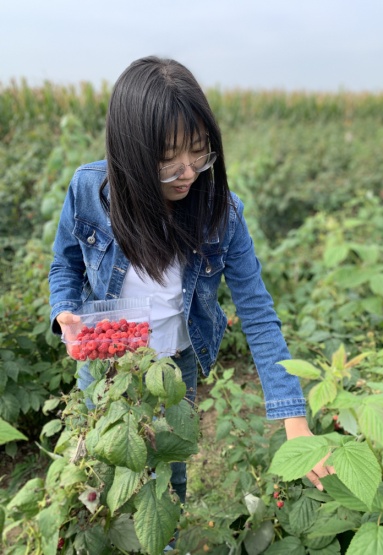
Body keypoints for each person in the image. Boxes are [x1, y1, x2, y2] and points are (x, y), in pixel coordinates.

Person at [49, 56, 333, 508]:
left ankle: (164, 537)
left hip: (173, 367)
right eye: (167, 159)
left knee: (168, 474)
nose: (188, 172)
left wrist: (292, 416)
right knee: (100, 475)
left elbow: (258, 314)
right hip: (107, 363)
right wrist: (64, 310)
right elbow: (65, 264)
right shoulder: (90, 191)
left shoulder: (223, 213)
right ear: (131, 153)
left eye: (199, 151)